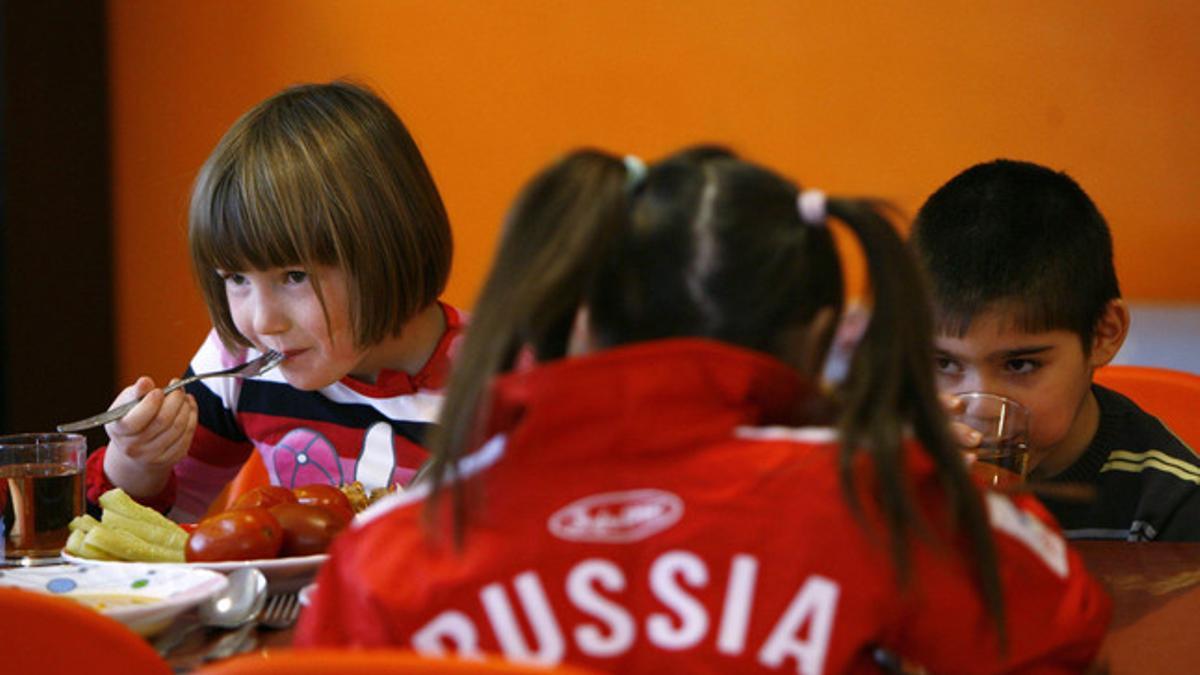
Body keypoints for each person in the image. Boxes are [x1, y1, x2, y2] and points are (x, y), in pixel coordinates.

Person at [298, 147, 1110, 671]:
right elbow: (1062, 633)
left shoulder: (389, 548)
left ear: (585, 317)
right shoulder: (895, 494)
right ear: (819, 333)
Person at [84, 81, 463, 521]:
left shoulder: (505, 378)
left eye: (295, 276)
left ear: (390, 246)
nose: (264, 322)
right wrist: (136, 462)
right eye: (236, 278)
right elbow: (145, 546)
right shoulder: (241, 362)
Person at [911, 158, 1200, 541]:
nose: (979, 407)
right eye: (943, 362)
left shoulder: (1170, 504)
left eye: (1019, 364)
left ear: (1102, 335)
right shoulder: (899, 471)